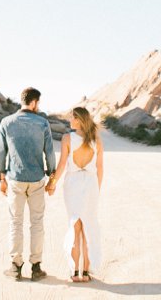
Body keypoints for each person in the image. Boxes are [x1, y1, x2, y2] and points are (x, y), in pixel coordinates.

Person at [0, 87, 56, 281]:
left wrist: (1, 178)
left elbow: (1, 153)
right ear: (34, 102)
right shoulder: (42, 123)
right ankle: (36, 267)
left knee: (15, 222)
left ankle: (15, 267)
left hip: (15, 180)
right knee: (37, 223)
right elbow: (49, 152)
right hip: (37, 180)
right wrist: (52, 175)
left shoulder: (6, 122)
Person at [46, 106, 103, 283]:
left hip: (73, 184)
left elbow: (62, 164)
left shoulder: (68, 138)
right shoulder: (96, 139)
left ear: (79, 119)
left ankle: (74, 272)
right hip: (91, 184)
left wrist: (52, 183)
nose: (70, 120)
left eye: (72, 117)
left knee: (75, 225)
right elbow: (100, 168)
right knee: (88, 228)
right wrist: (96, 190)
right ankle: (85, 273)